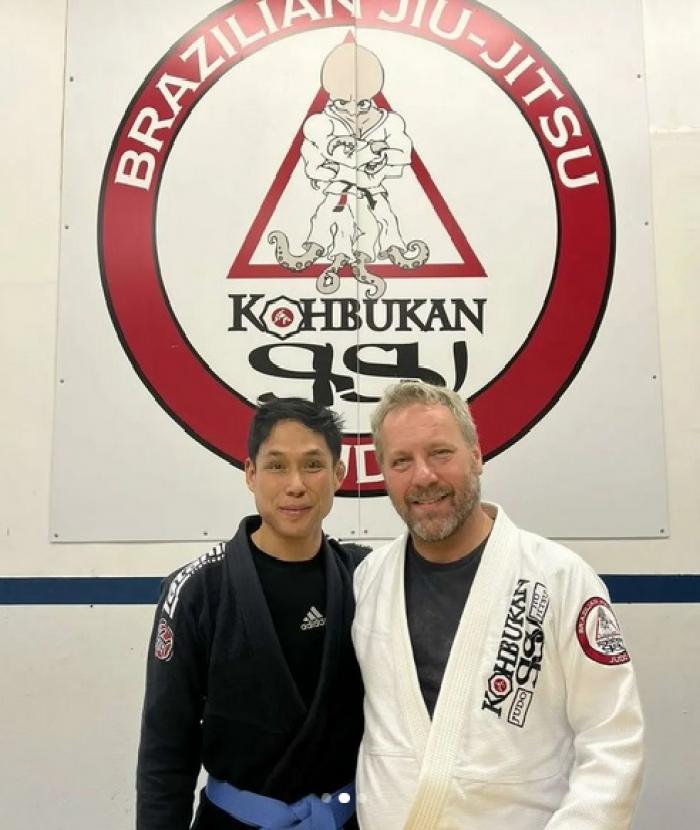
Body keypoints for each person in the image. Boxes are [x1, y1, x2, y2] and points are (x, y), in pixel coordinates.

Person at [352, 381, 644, 830]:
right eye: (401, 461)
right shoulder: (369, 580)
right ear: (384, 473)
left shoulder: (560, 578)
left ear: (476, 455)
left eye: (440, 453)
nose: (423, 476)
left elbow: (612, 737)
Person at [137, 398, 365, 829]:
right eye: (276, 466)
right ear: (250, 474)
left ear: (338, 474)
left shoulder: (365, 578)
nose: (295, 485)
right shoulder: (198, 589)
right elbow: (166, 749)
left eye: (313, 465)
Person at [268, 42, 429, 300]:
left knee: (381, 224)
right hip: (338, 194)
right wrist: (371, 152)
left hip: (372, 195)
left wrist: (373, 159)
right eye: (342, 102)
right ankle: (334, 257)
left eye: (362, 103)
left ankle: (364, 259)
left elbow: (401, 154)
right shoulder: (320, 124)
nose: (352, 110)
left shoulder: (390, 123)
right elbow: (323, 158)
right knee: (329, 221)